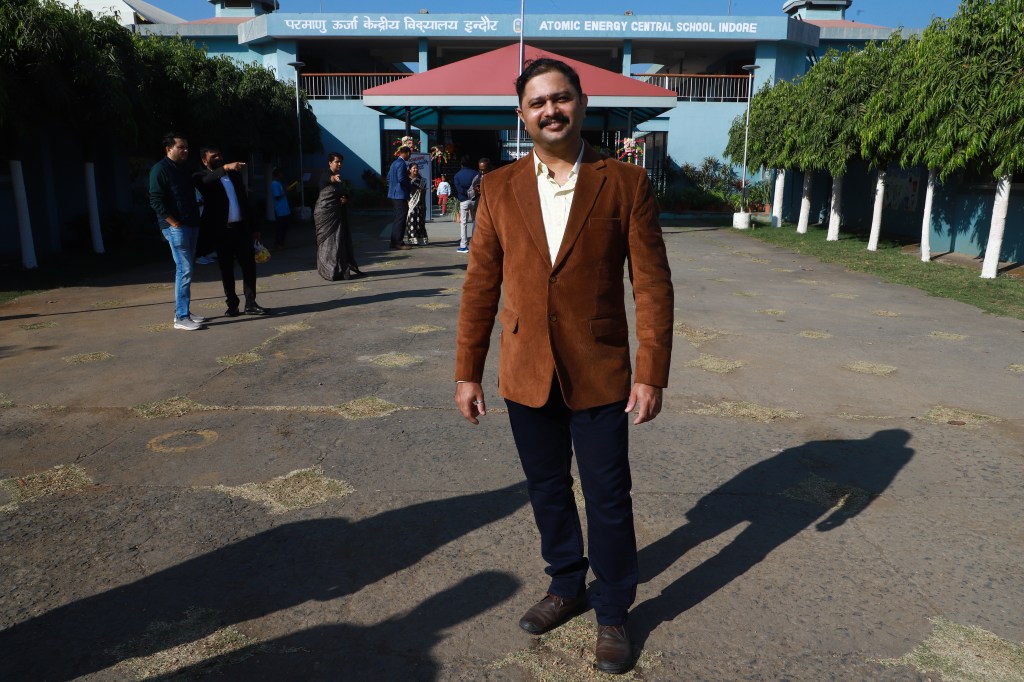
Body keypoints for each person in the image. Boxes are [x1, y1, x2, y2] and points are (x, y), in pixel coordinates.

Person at [454, 58, 674, 675]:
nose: (550, 110)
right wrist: (467, 371)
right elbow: (480, 286)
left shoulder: (625, 182)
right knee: (547, 488)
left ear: (582, 102)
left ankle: (613, 610)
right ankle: (566, 583)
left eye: (561, 98)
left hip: (598, 368)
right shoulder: (498, 187)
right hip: (526, 368)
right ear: (521, 116)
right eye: (537, 102)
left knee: (608, 495)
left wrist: (651, 371)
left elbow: (652, 285)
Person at [193, 147, 269, 317]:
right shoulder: (201, 177)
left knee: (249, 267)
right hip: (222, 232)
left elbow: (245, 202)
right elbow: (205, 181)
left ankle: (251, 303)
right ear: (204, 161)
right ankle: (232, 305)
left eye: (220, 155)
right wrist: (226, 167)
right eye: (214, 156)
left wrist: (255, 228)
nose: (218, 158)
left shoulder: (234, 176)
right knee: (226, 269)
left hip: (241, 229)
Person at [148, 132, 206, 331]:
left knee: (188, 268)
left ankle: (183, 311)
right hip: (176, 227)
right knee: (184, 269)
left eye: (187, 147)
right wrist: (173, 222)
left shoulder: (185, 169)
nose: (185, 150)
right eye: (181, 147)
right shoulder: (160, 169)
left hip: (191, 223)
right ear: (169, 149)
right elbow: (155, 200)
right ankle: (181, 317)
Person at [313, 152, 363, 281]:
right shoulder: (326, 175)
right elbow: (330, 179)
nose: (339, 164)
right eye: (337, 161)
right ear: (330, 163)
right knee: (328, 243)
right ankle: (328, 271)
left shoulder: (339, 179)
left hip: (337, 213)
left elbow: (342, 194)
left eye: (341, 162)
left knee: (339, 242)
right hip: (325, 214)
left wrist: (344, 199)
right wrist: (334, 179)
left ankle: (339, 270)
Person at [386, 145, 412, 250]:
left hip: (394, 194)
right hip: (400, 195)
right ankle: (398, 243)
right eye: (410, 154)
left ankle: (394, 242)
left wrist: (393, 187)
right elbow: (401, 179)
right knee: (401, 219)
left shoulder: (394, 163)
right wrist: (410, 185)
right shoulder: (401, 163)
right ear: (408, 153)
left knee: (398, 218)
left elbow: (388, 178)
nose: (409, 157)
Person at [452, 155, 477, 253]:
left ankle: (463, 245)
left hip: (464, 200)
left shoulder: (457, 175)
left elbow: (458, 189)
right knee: (476, 221)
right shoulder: (476, 173)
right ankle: (476, 243)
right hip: (474, 200)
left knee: (463, 223)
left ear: (461, 164)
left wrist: (466, 193)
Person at [405, 163, 429, 245]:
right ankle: (412, 240)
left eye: (417, 168)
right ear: (410, 170)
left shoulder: (422, 180)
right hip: (410, 203)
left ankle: (421, 239)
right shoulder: (406, 179)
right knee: (411, 221)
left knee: (420, 221)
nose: (415, 169)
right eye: (414, 168)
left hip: (419, 204)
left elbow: (423, 193)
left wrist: (424, 205)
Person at [271, 167, 292, 248]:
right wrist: (286, 191)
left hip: (284, 209)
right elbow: (277, 196)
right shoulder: (275, 184)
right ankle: (278, 243)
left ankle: (281, 243)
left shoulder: (278, 183)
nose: (282, 175)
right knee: (280, 227)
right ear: (278, 174)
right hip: (280, 209)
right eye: (281, 173)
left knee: (284, 227)